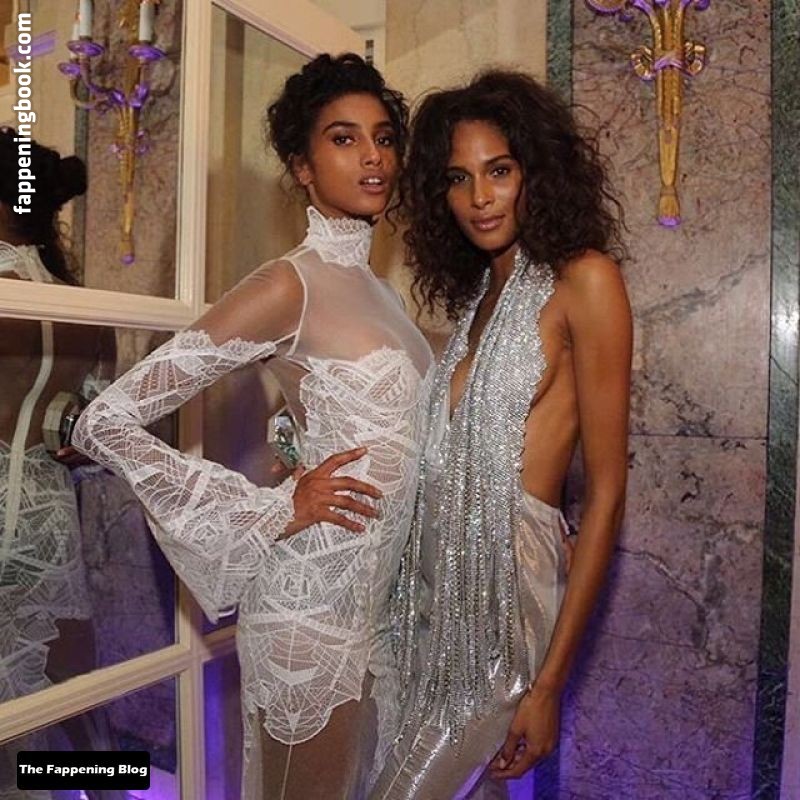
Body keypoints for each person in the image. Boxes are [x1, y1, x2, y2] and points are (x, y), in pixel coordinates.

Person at [73, 54, 434, 799]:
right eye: (343, 139)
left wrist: (293, 442)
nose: (372, 156)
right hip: (309, 606)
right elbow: (106, 421)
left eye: (383, 137)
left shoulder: (381, 292)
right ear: (302, 167)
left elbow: (349, 411)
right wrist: (274, 508)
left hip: (373, 606)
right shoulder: (287, 284)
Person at [372, 70, 632, 798]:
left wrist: (548, 686)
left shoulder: (586, 280)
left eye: (500, 171)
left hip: (507, 606)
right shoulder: (481, 296)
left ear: (535, 174)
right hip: (430, 602)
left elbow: (608, 492)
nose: (479, 197)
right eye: (458, 179)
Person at [0, 129, 118, 799]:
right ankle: (109, 790)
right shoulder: (85, 308)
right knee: (75, 697)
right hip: (49, 522)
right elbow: (98, 429)